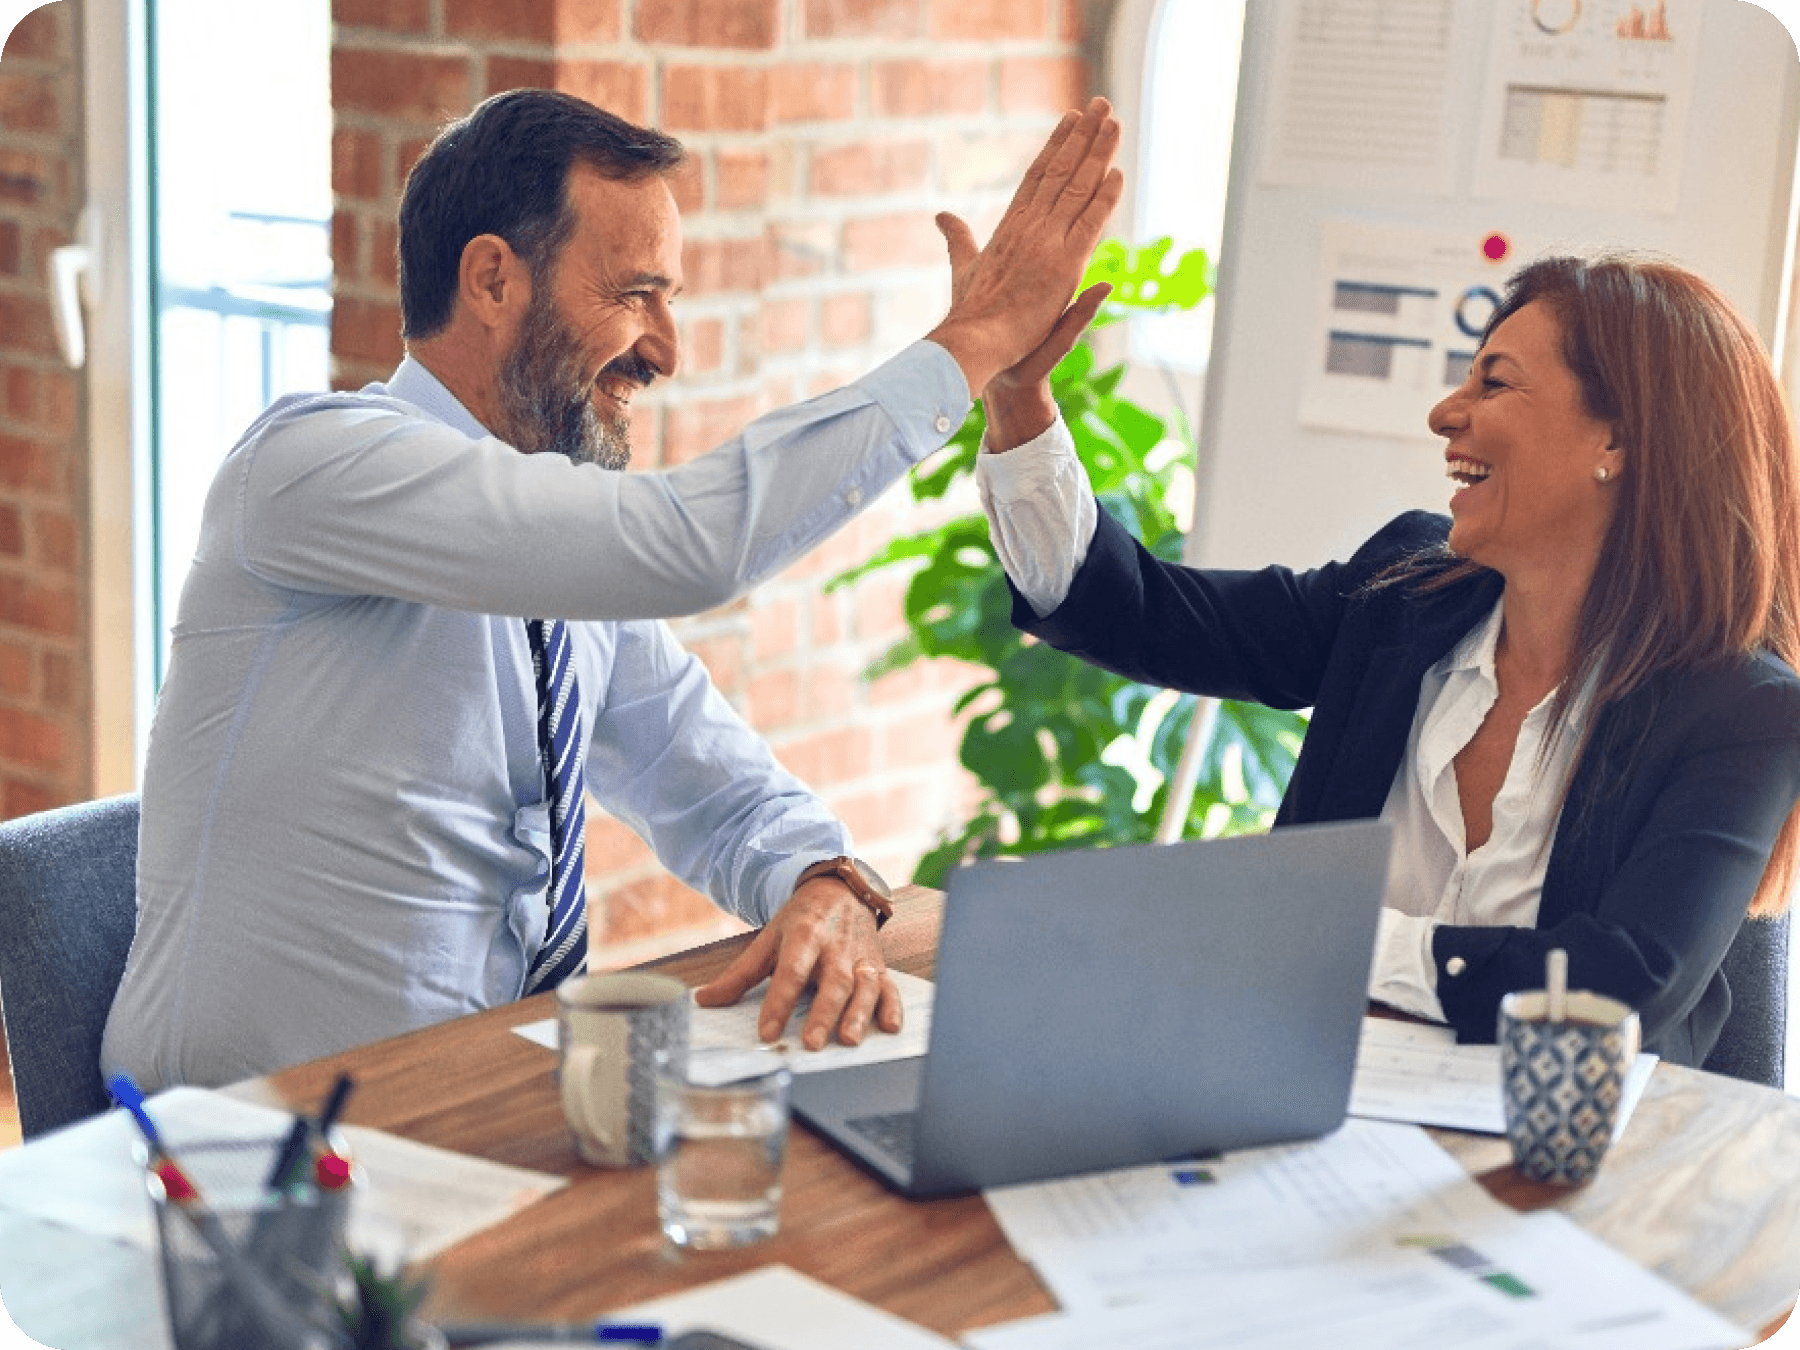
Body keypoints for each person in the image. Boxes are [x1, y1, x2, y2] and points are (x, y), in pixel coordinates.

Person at [101, 87, 1123, 1090]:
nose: (666, 351)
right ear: (494, 281)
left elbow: (713, 782)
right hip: (241, 1151)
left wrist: (825, 880)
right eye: (636, 293)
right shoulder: (313, 467)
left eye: (669, 299)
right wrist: (975, 342)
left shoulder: (559, 560)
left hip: (476, 1107)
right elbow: (691, 544)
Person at [974, 251, 1800, 1068]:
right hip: (1314, 1103)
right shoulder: (1404, 592)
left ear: (1616, 436)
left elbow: (1621, 988)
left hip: (1574, 1165)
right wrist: (1018, 401)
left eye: (1494, 382)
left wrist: (1334, 939)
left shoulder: (1743, 712)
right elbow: (1140, 613)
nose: (1446, 412)